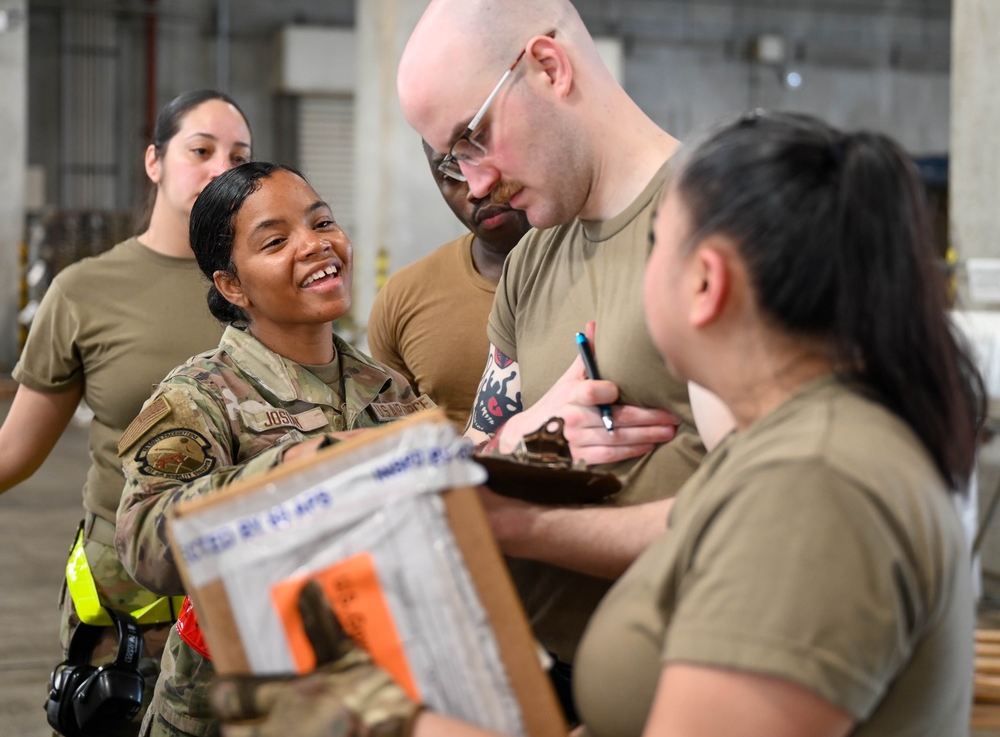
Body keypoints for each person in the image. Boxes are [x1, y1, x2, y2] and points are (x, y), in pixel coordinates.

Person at [211, 111, 984, 737]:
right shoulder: (798, 447)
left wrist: (390, 719)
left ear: (706, 283)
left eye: (653, 249)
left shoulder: (815, 486)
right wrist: (509, 519)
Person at [396, 0, 707, 713]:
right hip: (543, 680)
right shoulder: (533, 258)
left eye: (473, 138)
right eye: (452, 159)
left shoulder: (720, 223)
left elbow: (763, 514)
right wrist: (529, 433)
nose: (474, 184)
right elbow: (477, 452)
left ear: (547, 66)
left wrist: (522, 525)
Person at [115, 161, 433, 737]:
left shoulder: (385, 388)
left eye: (323, 222)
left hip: (363, 698)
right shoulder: (201, 396)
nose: (316, 245)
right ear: (232, 284)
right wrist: (286, 470)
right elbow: (142, 545)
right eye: (276, 241)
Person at [0, 89, 252, 735]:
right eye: (200, 150)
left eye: (239, 155)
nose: (221, 168)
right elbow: (14, 452)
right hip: (126, 615)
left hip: (245, 590)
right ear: (155, 161)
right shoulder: (83, 292)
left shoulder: (259, 287)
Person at [367, 140, 531, 429]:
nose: (474, 190)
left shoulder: (598, 267)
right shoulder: (403, 297)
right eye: (450, 175)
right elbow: (400, 443)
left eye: (481, 160)